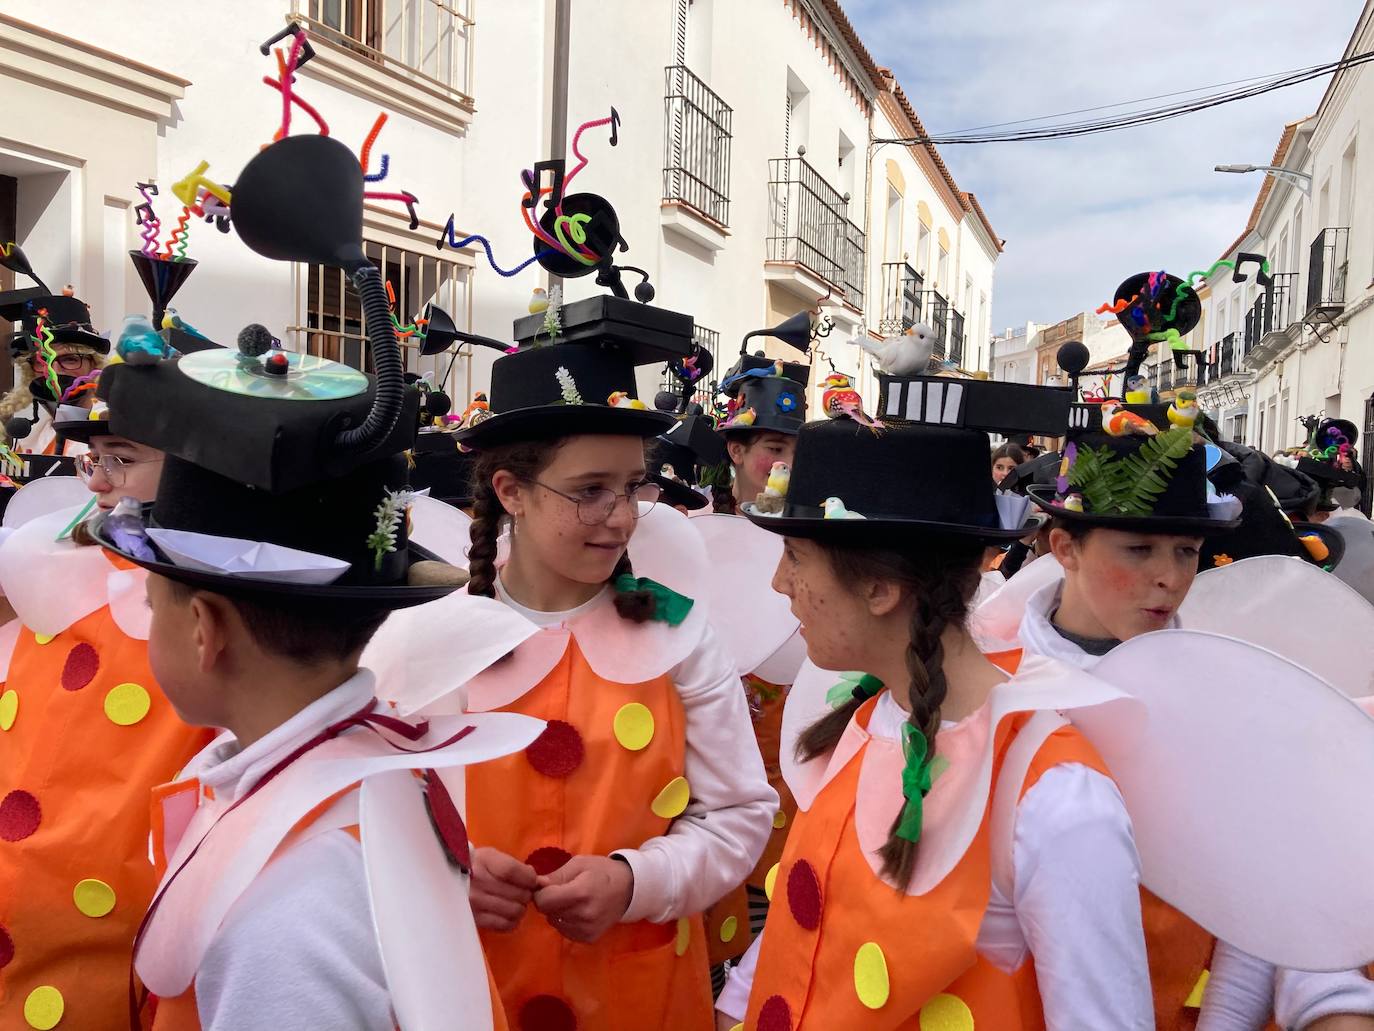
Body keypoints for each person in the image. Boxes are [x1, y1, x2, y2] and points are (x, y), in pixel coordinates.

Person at [714, 389, 1155, 1029]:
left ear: (879, 589)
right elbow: (805, 932)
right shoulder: (864, 719)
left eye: (796, 557)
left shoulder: (1056, 797)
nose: (779, 583)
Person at [454, 299, 776, 1030]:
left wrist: (636, 879)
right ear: (512, 493)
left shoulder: (681, 634)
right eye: (590, 489)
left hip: (636, 995)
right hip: (472, 988)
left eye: (632, 486)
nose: (622, 515)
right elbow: (384, 814)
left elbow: (738, 815)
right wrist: (446, 872)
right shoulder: (441, 637)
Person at [1018, 400, 1374, 1030]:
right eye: (1138, 548)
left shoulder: (1230, 684)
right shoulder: (994, 679)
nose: (1168, 577)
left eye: (1186, 551)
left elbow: (1266, 898)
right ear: (1063, 547)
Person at [0, 338, 220, 1029]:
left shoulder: (213, 606)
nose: (96, 481)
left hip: (140, 930)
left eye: (121, 459)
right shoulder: (56, 575)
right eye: (94, 459)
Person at [0, 281, 109, 457]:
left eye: (70, 359)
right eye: (42, 361)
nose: (55, 371)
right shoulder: (32, 434)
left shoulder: (113, 427)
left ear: (94, 365)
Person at [710, 354, 809, 515]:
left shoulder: (804, 532)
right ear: (736, 450)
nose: (790, 464)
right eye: (776, 449)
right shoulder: (699, 524)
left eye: (797, 453)